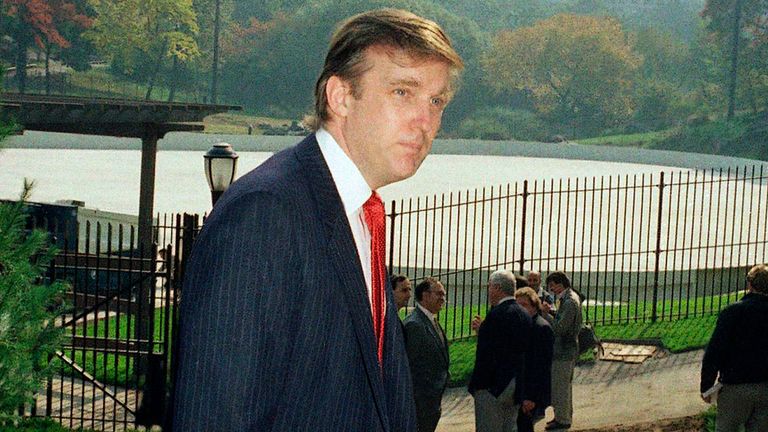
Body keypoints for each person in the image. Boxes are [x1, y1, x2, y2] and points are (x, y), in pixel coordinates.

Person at [171, 9, 463, 431]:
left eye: (436, 101)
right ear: (340, 96)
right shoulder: (265, 214)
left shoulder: (361, 215)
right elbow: (216, 416)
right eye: (402, 92)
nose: (426, 121)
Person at [700, 264, 768, 432]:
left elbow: (714, 352)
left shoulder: (732, 312)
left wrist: (707, 386)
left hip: (734, 386)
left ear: (749, 284)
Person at [468, 270, 532, 432]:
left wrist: (478, 386)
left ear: (497, 288)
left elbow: (487, 354)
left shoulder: (496, 314)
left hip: (494, 385)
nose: (489, 291)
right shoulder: (524, 313)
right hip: (515, 382)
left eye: (490, 287)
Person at [404, 277, 450, 432]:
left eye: (443, 294)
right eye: (439, 294)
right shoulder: (415, 325)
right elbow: (411, 367)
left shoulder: (430, 321)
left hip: (430, 402)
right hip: (421, 404)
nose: (443, 298)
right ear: (425, 295)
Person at [545, 271, 582, 431]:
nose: (551, 289)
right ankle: (563, 416)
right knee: (564, 386)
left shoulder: (569, 302)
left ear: (560, 284)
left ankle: (562, 419)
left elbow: (560, 328)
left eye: (552, 285)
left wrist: (546, 315)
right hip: (567, 349)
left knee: (560, 387)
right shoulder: (569, 299)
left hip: (564, 350)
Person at [514, 287, 554, 432]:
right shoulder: (523, 325)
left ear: (534, 306)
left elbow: (540, 367)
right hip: (521, 392)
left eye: (523, 305)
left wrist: (530, 397)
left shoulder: (541, 328)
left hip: (531, 395)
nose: (519, 309)